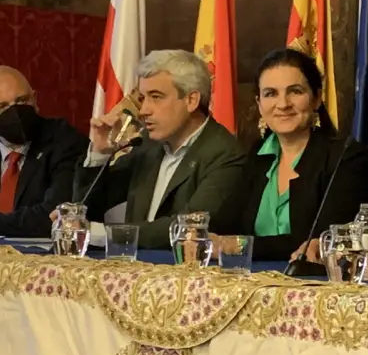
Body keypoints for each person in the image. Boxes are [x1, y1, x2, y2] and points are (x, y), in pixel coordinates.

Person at [75, 50, 245, 249]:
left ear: (191, 100)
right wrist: (100, 153)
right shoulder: (147, 144)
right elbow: (89, 209)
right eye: (142, 98)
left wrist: (103, 234)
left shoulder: (225, 154)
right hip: (134, 265)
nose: (143, 110)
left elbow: (189, 228)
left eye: (156, 97)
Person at [234, 48, 368, 260]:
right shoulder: (258, 154)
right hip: (252, 276)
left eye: (295, 91)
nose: (283, 104)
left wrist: (238, 245)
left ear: (317, 98)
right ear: (259, 105)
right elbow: (226, 224)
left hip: (311, 278)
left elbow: (322, 240)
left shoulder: (347, 157)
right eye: (271, 94)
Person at [0, 66, 86, 237]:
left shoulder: (65, 140)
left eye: (22, 101)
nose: (15, 112)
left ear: (35, 100)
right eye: (2, 107)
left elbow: (55, 216)